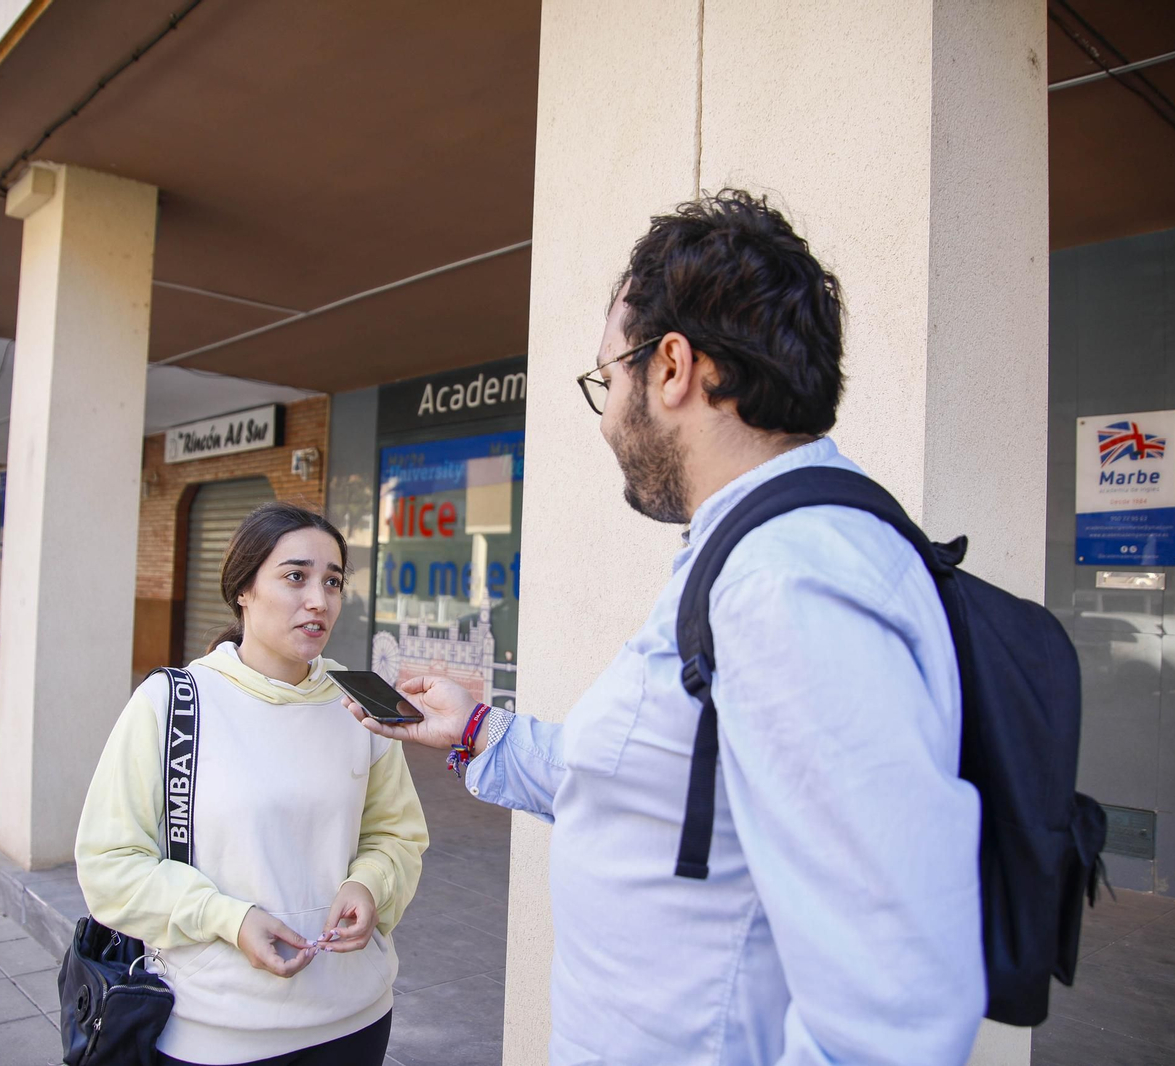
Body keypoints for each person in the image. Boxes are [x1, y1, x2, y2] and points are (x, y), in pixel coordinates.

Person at [344, 190, 985, 1065]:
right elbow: (642, 782)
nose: (607, 416)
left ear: (673, 366)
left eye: (608, 379)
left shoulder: (790, 583)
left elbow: (893, 1002)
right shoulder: (743, 559)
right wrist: (480, 732)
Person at [77, 502, 427, 1066]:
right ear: (243, 589)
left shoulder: (362, 703)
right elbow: (109, 864)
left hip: (356, 1020)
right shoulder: (173, 704)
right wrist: (229, 919)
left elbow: (397, 834)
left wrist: (370, 884)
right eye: (295, 577)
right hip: (217, 1030)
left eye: (332, 581)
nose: (319, 599)